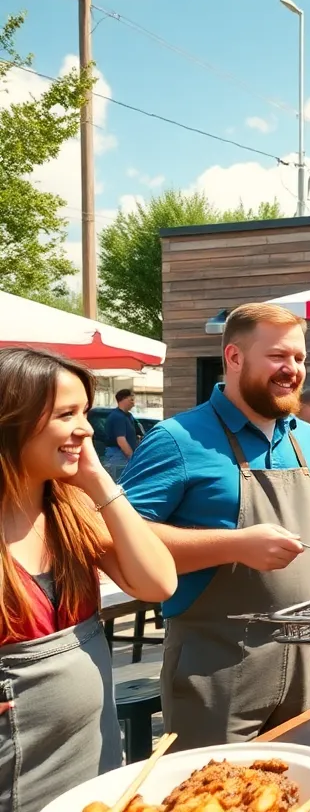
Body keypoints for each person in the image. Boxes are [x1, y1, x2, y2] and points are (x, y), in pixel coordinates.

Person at [119, 303, 310, 749]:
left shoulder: (309, 440)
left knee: (300, 784)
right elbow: (117, 537)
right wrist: (234, 545)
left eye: (300, 359)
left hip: (305, 653)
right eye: (279, 357)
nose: (292, 370)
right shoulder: (177, 439)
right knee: (214, 792)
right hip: (216, 664)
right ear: (234, 357)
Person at [0, 348, 176, 812]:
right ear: (10, 421)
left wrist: (98, 480)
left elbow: (158, 584)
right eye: (67, 414)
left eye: (84, 412)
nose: (86, 428)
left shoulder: (71, 510)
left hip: (94, 764)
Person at [102, 388, 142, 479]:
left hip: (123, 455)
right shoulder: (118, 417)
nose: (133, 402)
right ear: (123, 399)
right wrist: (132, 459)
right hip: (118, 455)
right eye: (131, 399)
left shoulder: (128, 416)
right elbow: (121, 441)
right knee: (120, 484)